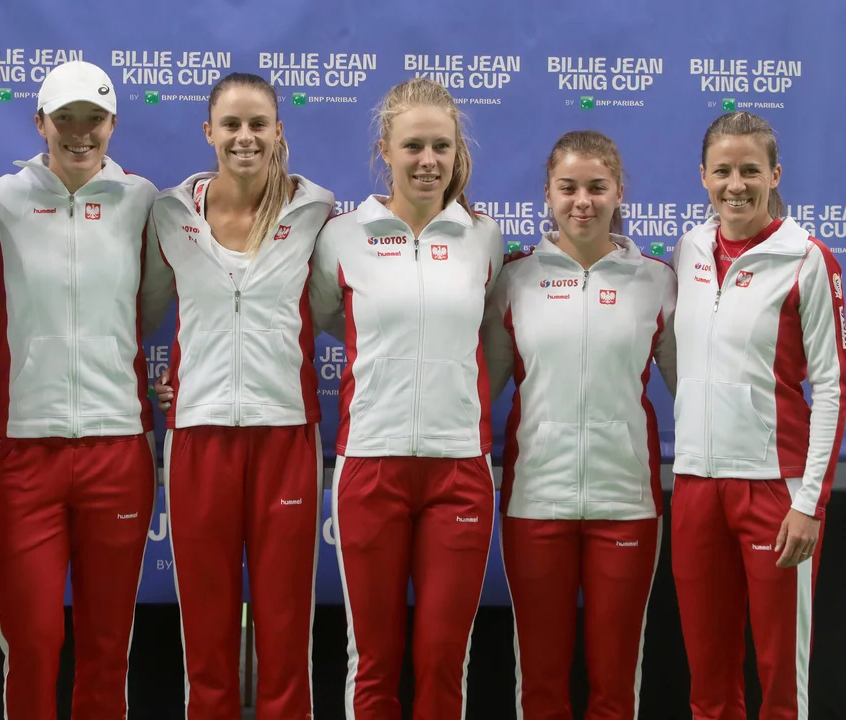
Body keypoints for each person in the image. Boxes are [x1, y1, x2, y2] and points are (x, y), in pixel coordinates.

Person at [307, 77, 502, 719]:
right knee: (374, 661)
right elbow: (328, 318)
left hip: (459, 470)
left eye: (441, 146)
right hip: (371, 464)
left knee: (443, 660)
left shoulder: (484, 238)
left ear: (457, 152)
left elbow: (490, 331)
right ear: (384, 150)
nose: (428, 161)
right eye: (413, 146)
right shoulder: (343, 236)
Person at [0, 61, 159, 719]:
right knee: (32, 641)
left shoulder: (142, 201)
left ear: (113, 124)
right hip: (25, 452)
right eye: (65, 119)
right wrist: (22, 342)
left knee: (106, 647)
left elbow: (154, 303)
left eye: (93, 119)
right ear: (40, 123)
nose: (80, 132)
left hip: (119, 449)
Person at [142, 72, 334, 719]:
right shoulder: (169, 215)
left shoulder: (317, 214)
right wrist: (171, 376)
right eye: (231, 125)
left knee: (284, 625)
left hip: (285, 435)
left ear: (279, 131)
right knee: (207, 627)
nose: (245, 137)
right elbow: (143, 309)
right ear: (209, 132)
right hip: (199, 436)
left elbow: (350, 310)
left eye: (258, 124)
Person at [483, 130, 677, 718]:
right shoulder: (514, 280)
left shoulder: (657, 280)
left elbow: (695, 388)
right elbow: (476, 392)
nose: (583, 201)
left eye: (597, 187)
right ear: (548, 194)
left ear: (619, 192)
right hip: (535, 502)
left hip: (627, 503)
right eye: (568, 188)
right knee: (541, 683)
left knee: (614, 685)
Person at [671, 111, 846, 719]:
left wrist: (809, 503)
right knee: (707, 678)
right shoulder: (688, 249)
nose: (736, 185)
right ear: (703, 176)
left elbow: (833, 387)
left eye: (750, 170)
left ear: (775, 174)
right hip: (695, 485)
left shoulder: (807, 259)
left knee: (780, 682)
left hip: (776, 490)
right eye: (722, 171)